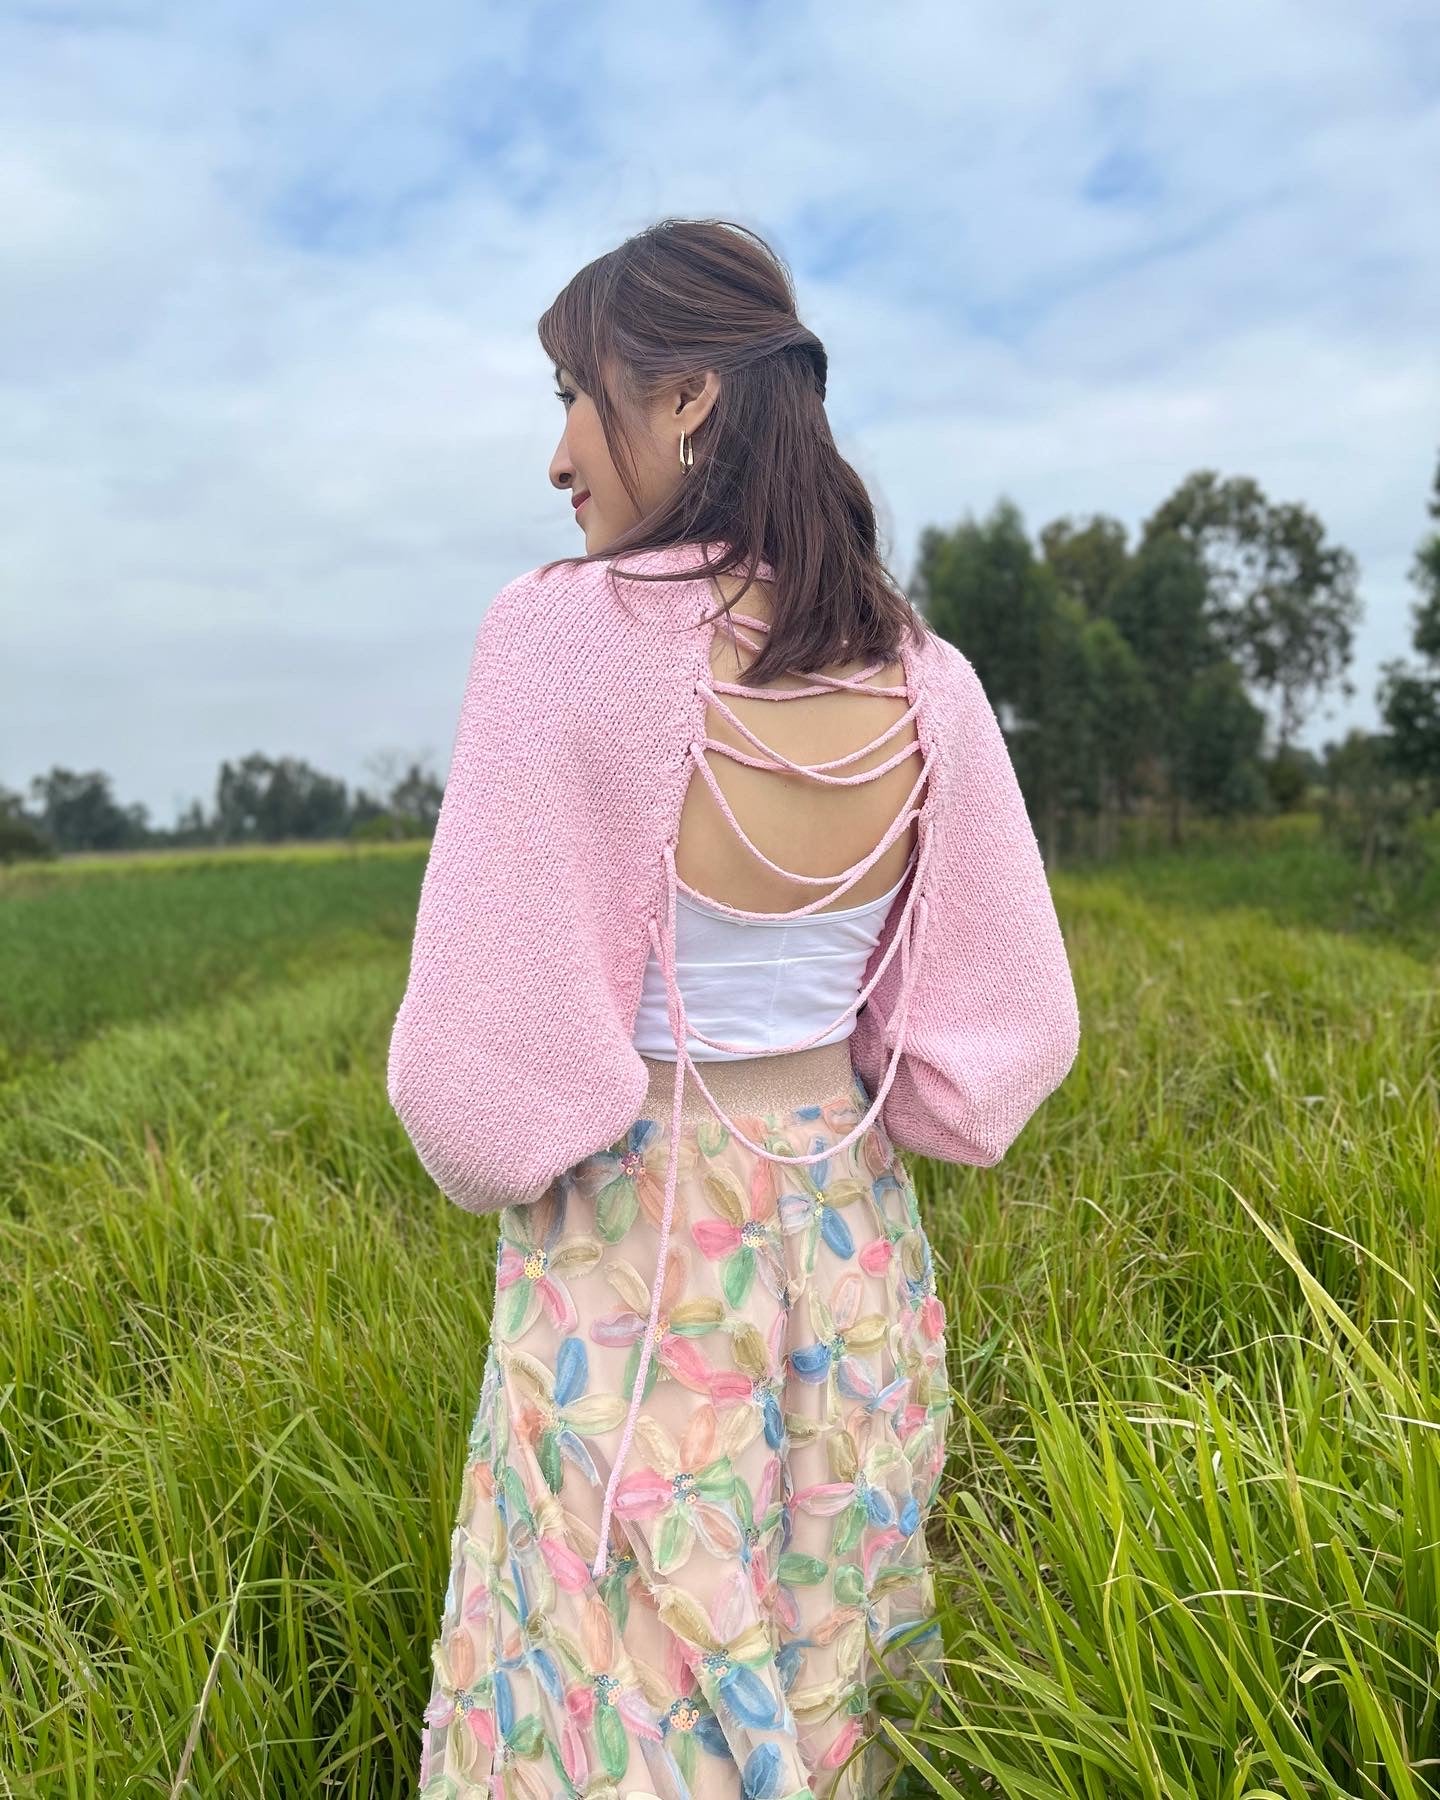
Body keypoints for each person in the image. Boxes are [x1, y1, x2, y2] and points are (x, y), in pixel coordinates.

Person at [387, 217, 1081, 1800]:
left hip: (633, 1251)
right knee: (826, 1640)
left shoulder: (563, 638)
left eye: (578, 392)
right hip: (851, 1238)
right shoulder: (924, 679)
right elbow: (1003, 1032)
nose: (561, 452)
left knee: (607, 1674)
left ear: (687, 399)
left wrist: (534, 1120)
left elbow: (475, 1094)